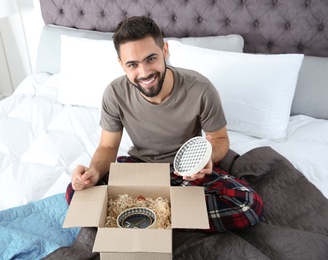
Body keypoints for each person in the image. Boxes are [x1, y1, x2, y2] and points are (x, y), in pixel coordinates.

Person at [66, 16, 263, 233]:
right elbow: (108, 147)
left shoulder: (201, 89)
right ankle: (175, 217)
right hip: (140, 166)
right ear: (122, 64)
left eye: (151, 59)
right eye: (133, 64)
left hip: (187, 171)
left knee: (249, 206)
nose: (144, 73)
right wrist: (93, 172)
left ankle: (145, 217)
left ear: (165, 51)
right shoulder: (114, 93)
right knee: (76, 194)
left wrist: (207, 158)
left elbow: (219, 139)